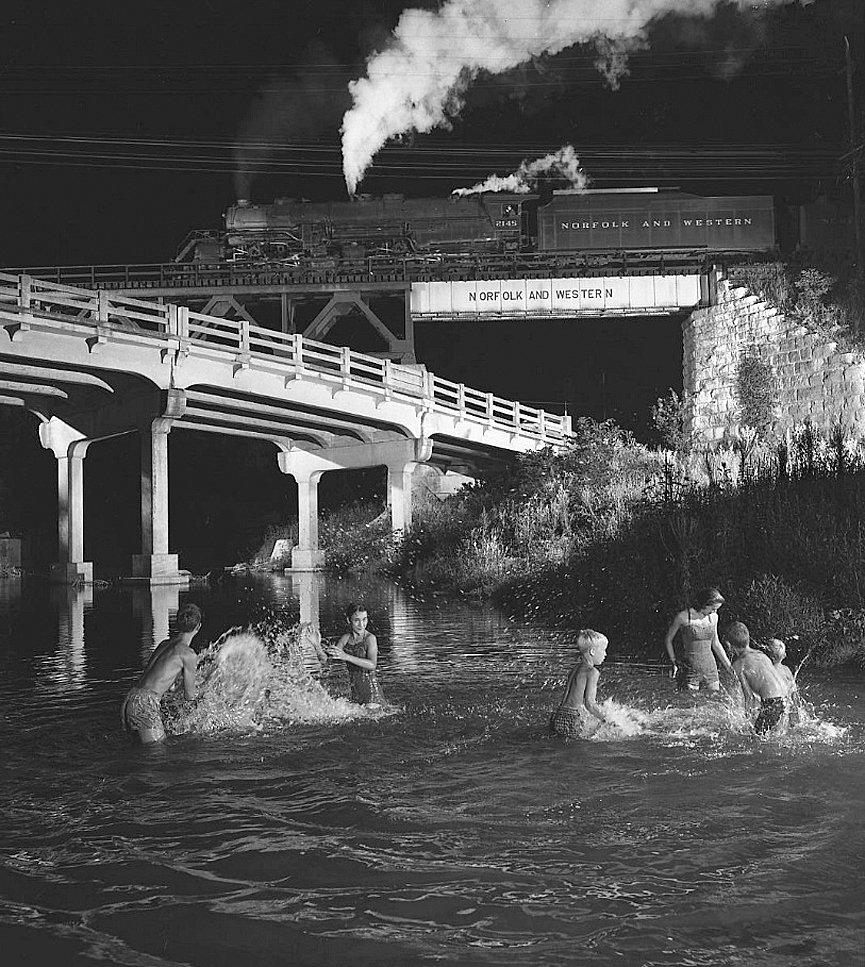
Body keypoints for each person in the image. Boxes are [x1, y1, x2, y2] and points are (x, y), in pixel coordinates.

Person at [120, 603, 202, 744]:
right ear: (198, 626)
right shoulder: (188, 655)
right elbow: (190, 696)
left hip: (131, 698)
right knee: (157, 755)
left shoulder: (164, 644)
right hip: (146, 704)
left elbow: (161, 680)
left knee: (137, 752)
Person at [664, 586, 732, 693]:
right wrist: (673, 662)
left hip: (710, 667)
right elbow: (668, 640)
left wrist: (729, 667)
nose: (714, 611)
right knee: (690, 705)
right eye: (713, 608)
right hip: (690, 668)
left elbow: (716, 643)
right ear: (705, 604)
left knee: (714, 703)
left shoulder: (714, 617)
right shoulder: (683, 617)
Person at [724, 621, 787, 734]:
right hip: (784, 698)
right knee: (772, 735)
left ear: (729, 645)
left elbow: (749, 697)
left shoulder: (739, 665)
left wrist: (746, 721)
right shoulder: (761, 654)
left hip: (772, 703)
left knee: (753, 737)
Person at [549, 629, 609, 737]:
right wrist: (606, 719)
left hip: (558, 714)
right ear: (592, 652)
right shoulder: (592, 672)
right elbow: (589, 704)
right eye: (603, 650)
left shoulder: (575, 669)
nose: (605, 654)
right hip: (571, 717)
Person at [327, 602, 386, 706]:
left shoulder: (370, 639)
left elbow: (372, 664)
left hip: (372, 696)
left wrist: (346, 656)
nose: (361, 624)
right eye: (356, 620)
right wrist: (316, 646)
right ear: (348, 620)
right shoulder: (345, 639)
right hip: (356, 695)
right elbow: (328, 660)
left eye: (364, 619)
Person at [763, 637, 801, 726]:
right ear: (784, 655)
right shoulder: (786, 670)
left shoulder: (767, 671)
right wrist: (795, 714)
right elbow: (794, 693)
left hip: (773, 705)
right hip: (785, 704)